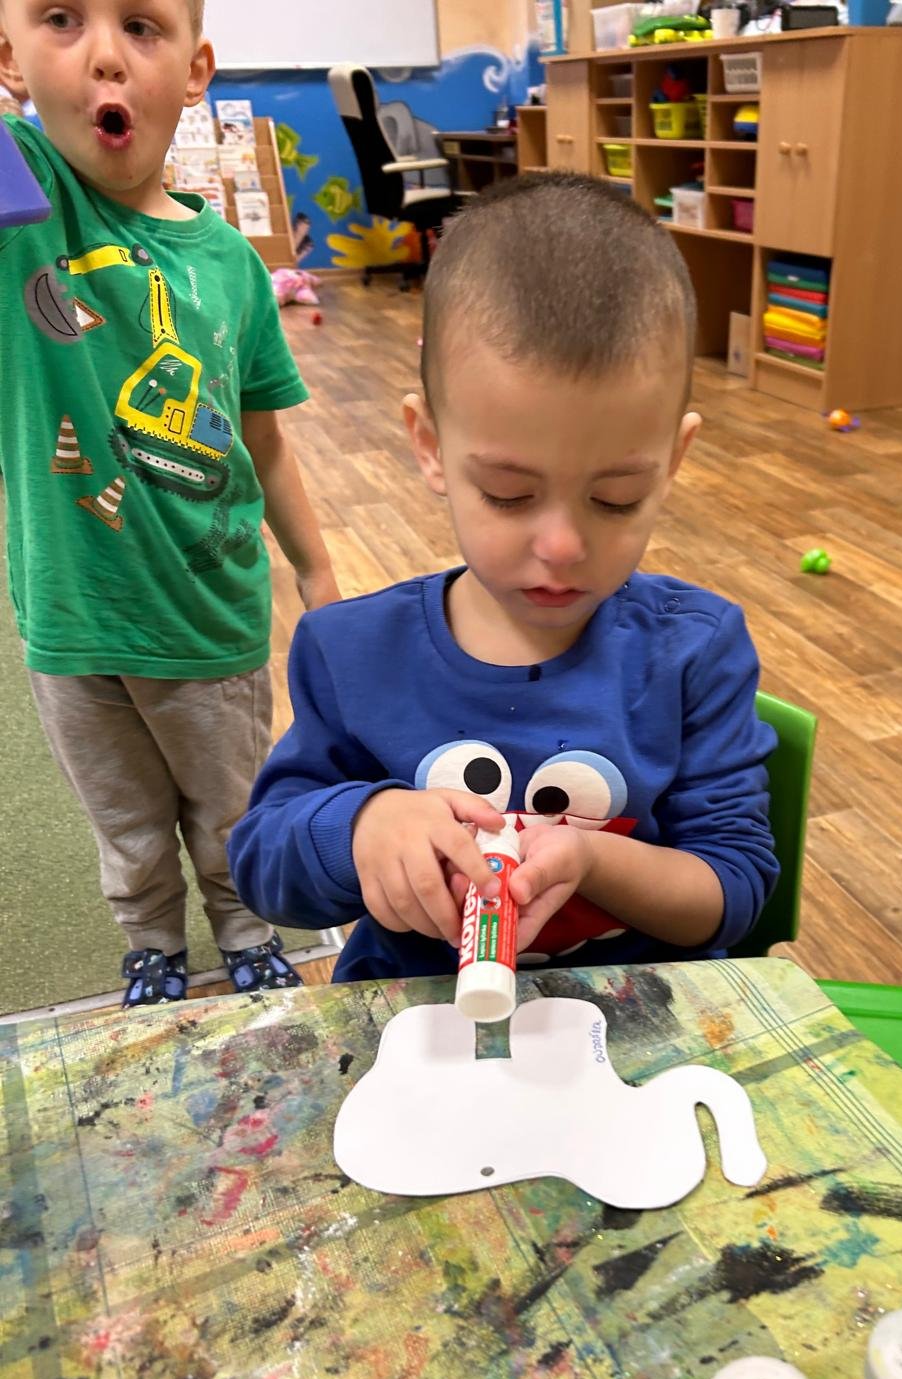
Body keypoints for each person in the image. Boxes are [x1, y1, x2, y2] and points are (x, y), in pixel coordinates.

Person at [230, 173, 778, 983]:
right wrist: (364, 824)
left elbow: (735, 889)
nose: (561, 546)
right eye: (508, 494)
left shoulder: (694, 650)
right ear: (429, 446)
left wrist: (592, 860)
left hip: (630, 1015)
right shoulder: (351, 650)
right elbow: (263, 866)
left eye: (615, 498)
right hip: (417, 1010)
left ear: (675, 460)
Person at [0, 0, 340, 1004]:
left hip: (207, 618)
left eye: (141, 27)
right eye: (61, 20)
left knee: (230, 808)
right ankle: (150, 939)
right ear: (11, 56)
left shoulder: (230, 265)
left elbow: (264, 440)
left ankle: (244, 926)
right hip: (72, 618)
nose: (105, 55)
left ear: (196, 71)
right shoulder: (23, 209)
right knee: (125, 818)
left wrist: (316, 565)